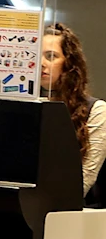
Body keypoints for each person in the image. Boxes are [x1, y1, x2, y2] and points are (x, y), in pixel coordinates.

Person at [41, 23, 106, 207]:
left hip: (73, 211)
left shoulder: (96, 110)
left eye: (51, 56)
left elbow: (84, 179)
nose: (41, 63)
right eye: (36, 56)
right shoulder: (29, 105)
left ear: (69, 63)